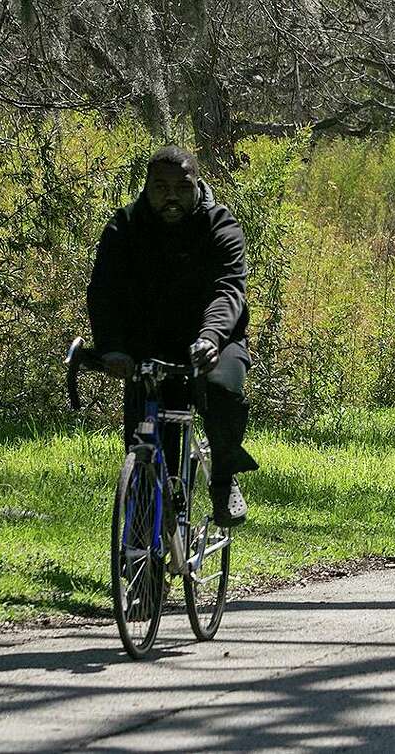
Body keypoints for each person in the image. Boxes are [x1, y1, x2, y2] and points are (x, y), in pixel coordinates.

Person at [87, 145, 258, 526]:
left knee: (222, 389)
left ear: (196, 186)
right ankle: (143, 566)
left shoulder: (220, 225)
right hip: (149, 348)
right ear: (146, 188)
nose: (171, 197)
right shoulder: (124, 227)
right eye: (160, 188)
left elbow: (228, 289)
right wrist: (113, 347)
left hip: (214, 341)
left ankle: (223, 479)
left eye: (181, 188)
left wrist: (211, 337)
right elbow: (104, 293)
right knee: (147, 453)